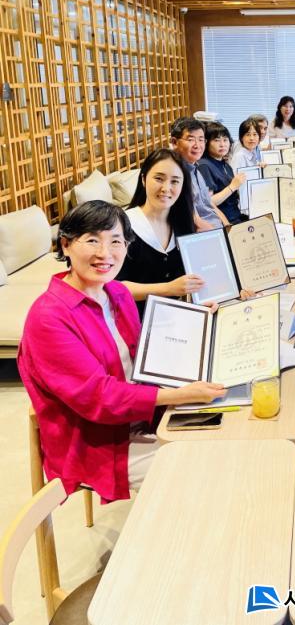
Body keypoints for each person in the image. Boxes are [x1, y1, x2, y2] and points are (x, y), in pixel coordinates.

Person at [18, 201, 226, 503]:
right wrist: (179, 395)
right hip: (100, 443)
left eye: (116, 241)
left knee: (227, 438)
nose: (105, 253)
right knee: (202, 474)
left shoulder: (116, 292)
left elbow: (144, 353)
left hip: (145, 417)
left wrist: (193, 320)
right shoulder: (48, 318)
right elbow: (99, 397)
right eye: (92, 240)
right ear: (66, 245)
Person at [116, 149, 206, 316]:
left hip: (178, 315)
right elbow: (114, 287)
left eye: (175, 181)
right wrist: (168, 288)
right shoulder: (122, 226)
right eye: (159, 178)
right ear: (143, 179)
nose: (166, 188)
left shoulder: (183, 224)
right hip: (134, 321)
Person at [169, 116, 226, 231]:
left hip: (217, 227)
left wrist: (228, 226)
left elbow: (209, 204)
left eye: (201, 140)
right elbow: (195, 222)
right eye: (190, 140)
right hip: (204, 233)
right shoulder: (175, 174)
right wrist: (221, 235)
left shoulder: (195, 168)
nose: (197, 145)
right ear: (174, 142)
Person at [199, 122, 246, 224]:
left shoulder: (225, 164)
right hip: (223, 222)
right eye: (216, 140)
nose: (222, 144)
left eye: (225, 140)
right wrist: (232, 187)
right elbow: (209, 202)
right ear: (207, 143)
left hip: (237, 215)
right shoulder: (204, 166)